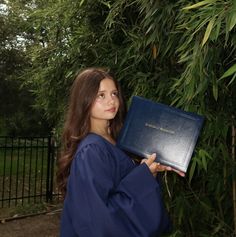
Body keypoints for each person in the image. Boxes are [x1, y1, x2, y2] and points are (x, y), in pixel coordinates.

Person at [57, 67, 185, 237]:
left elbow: (120, 185)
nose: (111, 101)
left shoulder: (116, 140)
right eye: (101, 95)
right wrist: (143, 176)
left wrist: (149, 172)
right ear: (84, 100)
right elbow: (97, 220)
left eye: (114, 93)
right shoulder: (91, 151)